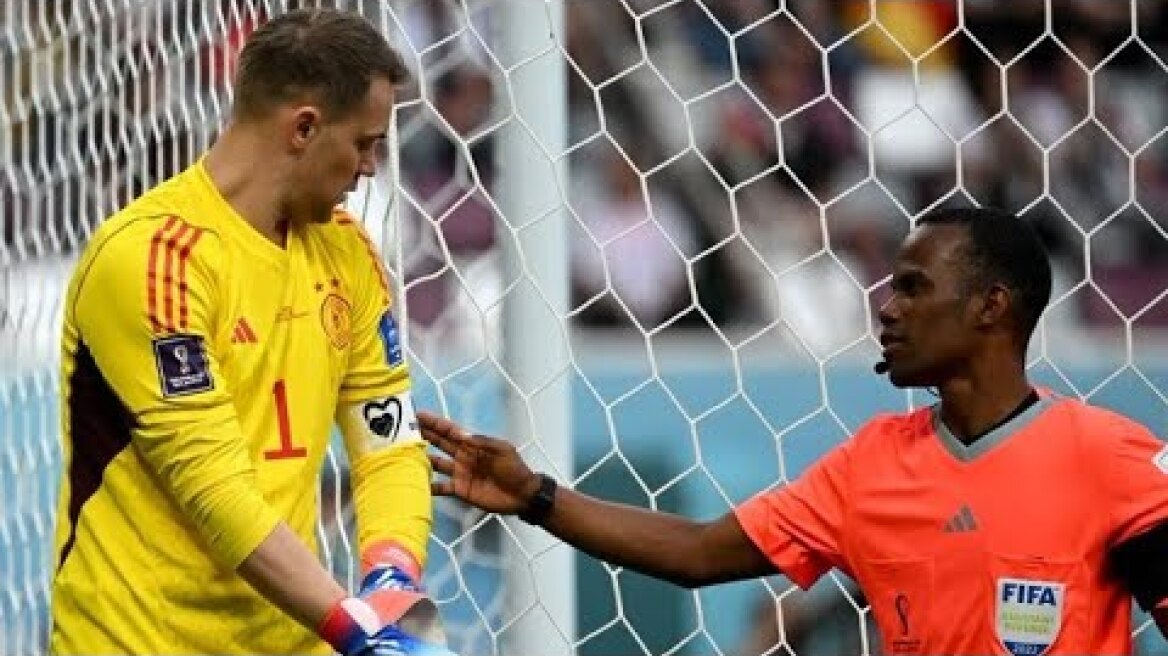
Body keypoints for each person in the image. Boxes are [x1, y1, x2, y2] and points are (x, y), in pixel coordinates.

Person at [422, 206, 1168, 656]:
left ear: (991, 306)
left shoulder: (1109, 458)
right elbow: (698, 552)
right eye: (891, 288)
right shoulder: (871, 466)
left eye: (914, 288)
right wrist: (536, 497)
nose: (887, 309)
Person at [51, 9, 452, 656]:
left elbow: (388, 443)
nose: (372, 167)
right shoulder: (153, 260)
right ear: (304, 128)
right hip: (138, 641)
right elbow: (217, 492)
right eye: (364, 143)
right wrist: (354, 628)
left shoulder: (348, 253)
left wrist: (390, 576)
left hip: (292, 637)